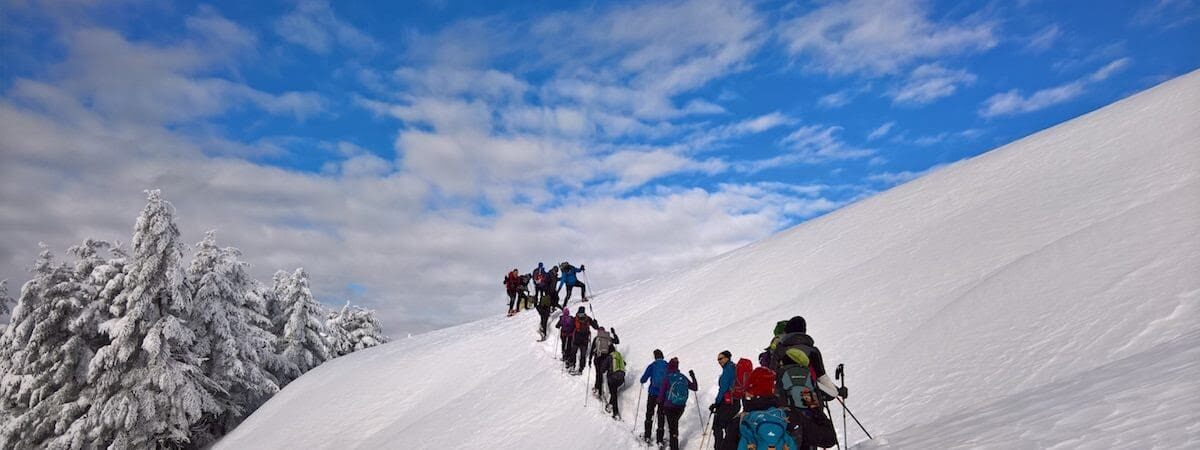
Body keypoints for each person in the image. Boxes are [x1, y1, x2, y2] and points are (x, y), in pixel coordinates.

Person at [767, 316, 842, 449]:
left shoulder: (780, 348)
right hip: (810, 399)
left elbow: (771, 376)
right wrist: (835, 391)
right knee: (810, 439)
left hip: (785, 406)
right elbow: (824, 381)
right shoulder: (813, 350)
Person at [656, 358, 698, 450]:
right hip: (681, 406)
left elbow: (661, 395)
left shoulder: (667, 378)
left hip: (669, 406)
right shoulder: (682, 377)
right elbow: (695, 388)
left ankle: (674, 446)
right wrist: (693, 376)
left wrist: (659, 402)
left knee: (673, 428)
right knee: (674, 424)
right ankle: (673, 443)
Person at [710, 350, 739, 450]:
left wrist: (716, 403)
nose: (719, 361)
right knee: (729, 426)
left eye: (721, 358)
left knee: (717, 426)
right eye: (718, 359)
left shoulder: (728, 370)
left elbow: (723, 388)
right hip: (735, 402)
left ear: (727, 358)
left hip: (727, 403)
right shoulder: (734, 367)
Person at [639, 349, 668, 445]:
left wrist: (642, 381)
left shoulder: (652, 366)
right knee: (661, 416)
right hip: (663, 395)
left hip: (652, 393)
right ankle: (659, 440)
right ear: (662, 356)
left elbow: (643, 379)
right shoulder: (667, 365)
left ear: (655, 357)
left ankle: (647, 436)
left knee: (649, 414)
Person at [590, 327, 620, 398]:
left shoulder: (596, 338)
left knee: (598, 374)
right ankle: (608, 392)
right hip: (606, 360)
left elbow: (592, 350)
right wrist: (614, 333)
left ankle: (598, 390)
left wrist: (590, 360)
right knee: (606, 375)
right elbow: (617, 341)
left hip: (597, 359)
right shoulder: (608, 338)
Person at [570, 307, 599, 375]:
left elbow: (571, 327)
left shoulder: (575, 318)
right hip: (585, 339)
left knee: (573, 352)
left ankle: (572, 366)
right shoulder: (588, 318)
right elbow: (596, 327)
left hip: (577, 339)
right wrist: (595, 322)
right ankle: (581, 369)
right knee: (582, 355)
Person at [608, 348, 627, 420]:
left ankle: (615, 413)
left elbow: (603, 369)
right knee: (614, 392)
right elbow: (624, 364)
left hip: (612, 379)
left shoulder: (610, 357)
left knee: (614, 393)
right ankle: (610, 404)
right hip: (621, 379)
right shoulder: (619, 357)